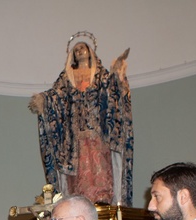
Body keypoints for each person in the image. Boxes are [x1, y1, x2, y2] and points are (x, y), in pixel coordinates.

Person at [29, 31, 134, 206]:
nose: (79, 51)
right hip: (75, 136)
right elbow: (57, 96)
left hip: (98, 132)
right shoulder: (67, 78)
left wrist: (118, 73)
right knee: (81, 168)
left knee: (99, 164)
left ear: (90, 52)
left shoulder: (100, 75)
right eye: (76, 49)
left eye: (82, 48)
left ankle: (102, 198)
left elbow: (112, 92)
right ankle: (81, 201)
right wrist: (44, 100)